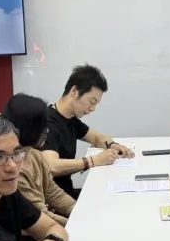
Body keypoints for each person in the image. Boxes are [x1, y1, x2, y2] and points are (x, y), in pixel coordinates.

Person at [42, 65, 135, 199]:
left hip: (66, 194)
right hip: (54, 200)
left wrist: (113, 145)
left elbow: (96, 137)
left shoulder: (70, 119)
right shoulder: (47, 123)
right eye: (92, 102)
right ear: (74, 91)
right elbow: (51, 166)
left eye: (96, 104)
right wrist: (94, 160)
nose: (92, 109)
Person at [1, 93, 76, 228]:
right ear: (27, 128)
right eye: (42, 126)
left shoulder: (36, 156)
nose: (47, 131)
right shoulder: (14, 169)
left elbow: (54, 194)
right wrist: (78, 224)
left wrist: (78, 210)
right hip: (32, 231)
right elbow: (39, 216)